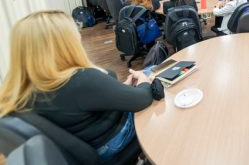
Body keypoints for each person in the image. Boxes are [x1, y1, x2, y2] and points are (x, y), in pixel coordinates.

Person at [0, 10, 154, 162]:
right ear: (64, 43)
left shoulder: (22, 88)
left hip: (92, 143)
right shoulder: (80, 79)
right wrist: (143, 80)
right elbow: (142, 99)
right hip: (111, 142)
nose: (79, 36)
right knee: (152, 73)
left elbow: (79, 105)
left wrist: (118, 88)